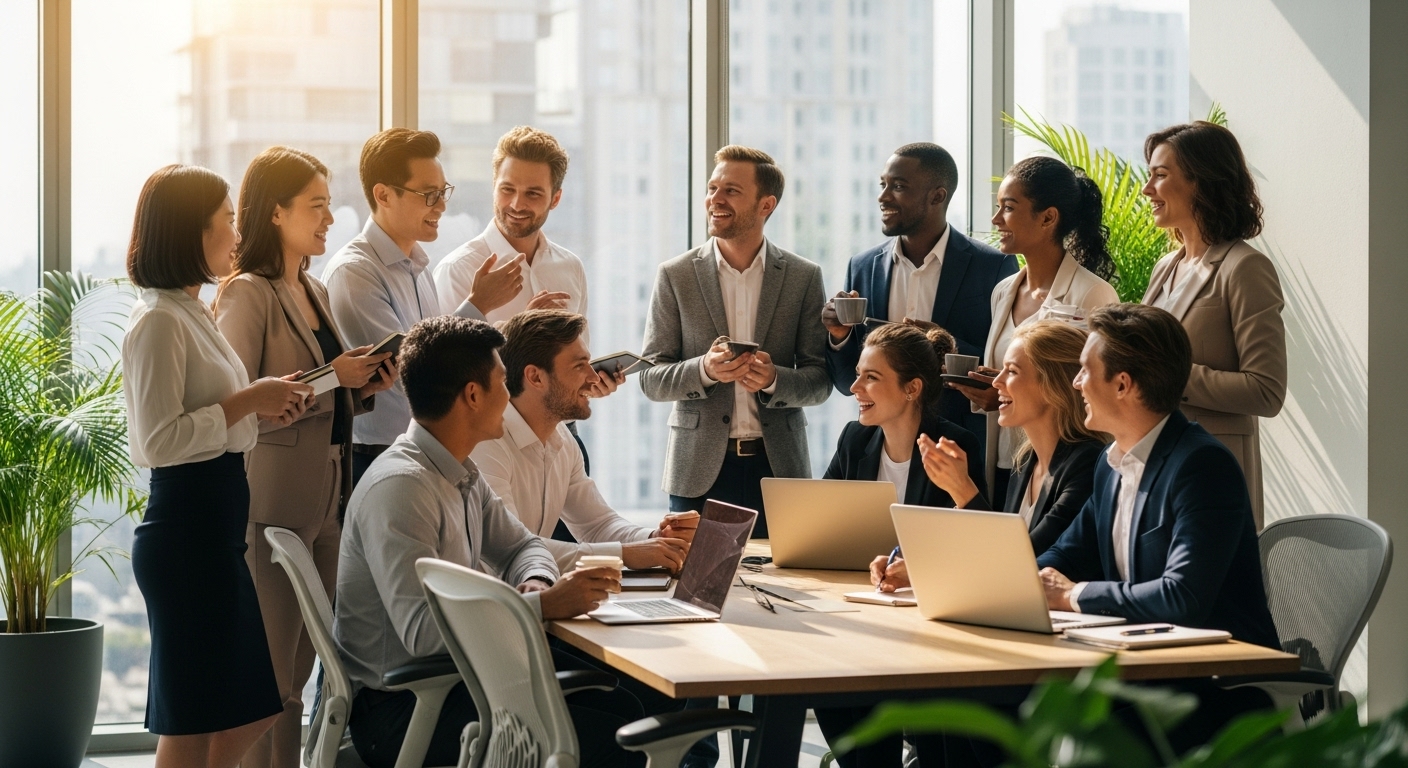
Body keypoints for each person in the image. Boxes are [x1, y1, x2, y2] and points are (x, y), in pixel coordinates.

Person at [334, 316, 647, 768]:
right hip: (402, 708)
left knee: (624, 707)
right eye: (503, 381)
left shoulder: (458, 470)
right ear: (473, 395)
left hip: (459, 677)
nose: (510, 395)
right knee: (618, 741)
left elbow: (524, 547)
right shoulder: (402, 487)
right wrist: (541, 607)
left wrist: (536, 584)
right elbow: (421, 634)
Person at [213, 147, 399, 768]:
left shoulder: (312, 288)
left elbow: (324, 393)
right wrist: (331, 377)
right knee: (273, 680)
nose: (328, 219)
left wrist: (362, 382)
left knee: (309, 668)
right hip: (271, 505)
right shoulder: (247, 292)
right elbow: (237, 399)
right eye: (316, 206)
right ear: (276, 213)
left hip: (326, 501)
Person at [122, 164, 313, 768]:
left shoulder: (193, 312)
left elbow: (216, 423)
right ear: (190, 232)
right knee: (195, 719)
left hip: (215, 529)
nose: (236, 231)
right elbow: (158, 442)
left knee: (251, 707)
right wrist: (247, 401)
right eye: (225, 219)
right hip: (186, 533)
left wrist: (264, 413)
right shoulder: (156, 322)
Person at [1038, 303, 1279, 752]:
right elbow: (1063, 554)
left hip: (1212, 686)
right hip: (1140, 669)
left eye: (1084, 371)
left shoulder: (1201, 466)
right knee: (971, 701)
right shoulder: (1110, 467)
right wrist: (1013, 582)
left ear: (1123, 384)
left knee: (1065, 725)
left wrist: (1070, 594)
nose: (1076, 383)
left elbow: (1181, 597)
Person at [639, 145, 832, 539]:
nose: (715, 200)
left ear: (766, 204)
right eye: (712, 188)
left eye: (731, 190)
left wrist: (774, 380)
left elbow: (821, 381)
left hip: (779, 472)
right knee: (698, 591)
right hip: (698, 474)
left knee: (793, 591)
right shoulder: (676, 276)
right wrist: (704, 371)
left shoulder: (803, 277)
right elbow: (650, 378)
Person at [871, 320, 1108, 593]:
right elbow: (998, 552)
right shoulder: (1026, 462)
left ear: (1052, 385)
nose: (997, 382)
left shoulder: (1087, 463)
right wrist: (916, 565)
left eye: (1012, 371)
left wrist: (963, 491)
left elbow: (1023, 561)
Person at [322, 128, 496, 486]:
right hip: (376, 455)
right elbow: (412, 372)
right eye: (429, 194)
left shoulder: (417, 265)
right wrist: (478, 304)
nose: (442, 206)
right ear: (383, 195)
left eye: (443, 192)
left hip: (418, 450)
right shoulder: (355, 272)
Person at [822, 143, 1017, 451]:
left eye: (898, 187)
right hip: (880, 447)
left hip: (959, 446)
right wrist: (839, 337)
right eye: (883, 185)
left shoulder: (993, 267)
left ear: (937, 196)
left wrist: (939, 344)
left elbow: (1003, 365)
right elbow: (848, 381)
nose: (883, 196)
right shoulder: (861, 267)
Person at [471, 309, 698, 573]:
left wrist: (654, 540)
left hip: (527, 594)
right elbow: (512, 548)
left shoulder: (562, 440)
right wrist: (624, 554)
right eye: (580, 366)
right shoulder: (487, 443)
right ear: (535, 377)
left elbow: (597, 524)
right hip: (487, 605)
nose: (594, 377)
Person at [950, 156, 1118, 507]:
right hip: (1004, 460)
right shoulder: (1003, 291)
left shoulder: (1092, 294)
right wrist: (989, 394)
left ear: (1048, 218)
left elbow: (1097, 386)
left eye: (1008, 208)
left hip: (1059, 466)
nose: (996, 220)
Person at [1140, 122, 1285, 528]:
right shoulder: (1165, 267)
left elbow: (1266, 391)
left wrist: (1165, 378)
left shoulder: (1245, 268)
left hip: (1212, 471)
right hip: (1156, 462)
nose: (1147, 189)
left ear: (1202, 183)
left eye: (1160, 175)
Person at [822, 322, 985, 506]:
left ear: (912, 388)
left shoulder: (955, 448)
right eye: (858, 374)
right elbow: (821, 511)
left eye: (871, 377)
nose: (854, 387)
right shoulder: (854, 439)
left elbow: (978, 530)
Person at [433, 125, 581, 324]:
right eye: (507, 189)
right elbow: (445, 355)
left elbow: (580, 354)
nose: (517, 205)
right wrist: (522, 329)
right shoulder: (457, 271)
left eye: (533, 194)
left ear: (555, 199)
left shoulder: (571, 268)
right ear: (494, 187)